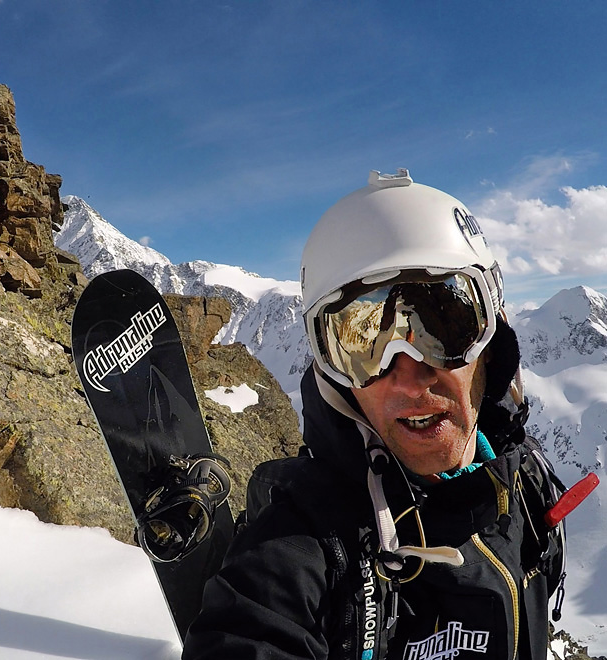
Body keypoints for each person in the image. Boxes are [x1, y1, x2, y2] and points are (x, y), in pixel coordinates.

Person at [183, 169, 567, 660]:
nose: (408, 379)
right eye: (364, 344)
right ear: (335, 378)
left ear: (491, 341)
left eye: (443, 328)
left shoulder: (525, 485)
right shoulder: (301, 554)